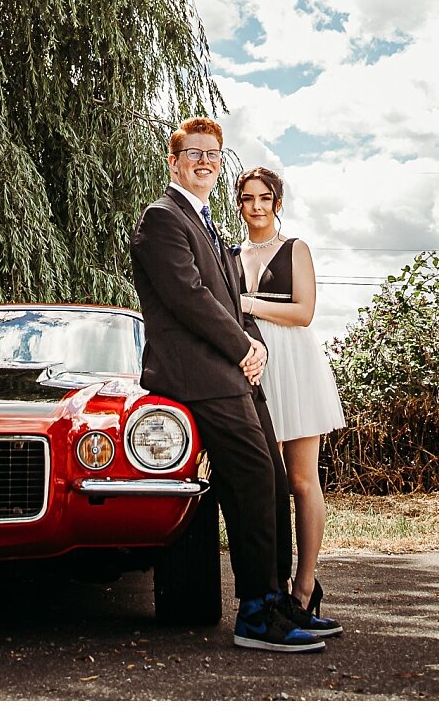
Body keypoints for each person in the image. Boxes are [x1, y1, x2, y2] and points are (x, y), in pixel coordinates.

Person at [128, 117, 337, 652]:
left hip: (232, 370)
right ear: (173, 163)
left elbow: (230, 299)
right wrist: (244, 346)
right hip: (195, 374)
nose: (205, 161)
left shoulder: (206, 222)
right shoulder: (162, 218)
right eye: (194, 153)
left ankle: (281, 604)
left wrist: (255, 347)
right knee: (248, 481)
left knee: (270, 479)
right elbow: (191, 298)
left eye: (214, 155)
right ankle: (255, 613)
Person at [235, 166, 347, 630]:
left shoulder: (295, 249)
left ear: (277, 202)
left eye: (264, 198)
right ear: (239, 203)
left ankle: (305, 587)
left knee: (303, 481)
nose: (256, 207)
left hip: (296, 367)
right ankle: (273, 591)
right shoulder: (229, 254)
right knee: (268, 481)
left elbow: (303, 312)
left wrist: (249, 303)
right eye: (247, 198)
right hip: (252, 365)